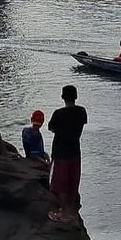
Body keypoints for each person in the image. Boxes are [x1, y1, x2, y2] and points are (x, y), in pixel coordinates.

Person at [47, 85, 87, 223]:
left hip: (60, 151)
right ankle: (71, 212)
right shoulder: (82, 112)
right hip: (75, 150)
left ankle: (64, 213)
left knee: (61, 183)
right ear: (76, 97)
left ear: (63, 97)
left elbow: (51, 127)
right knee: (73, 182)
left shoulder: (58, 113)